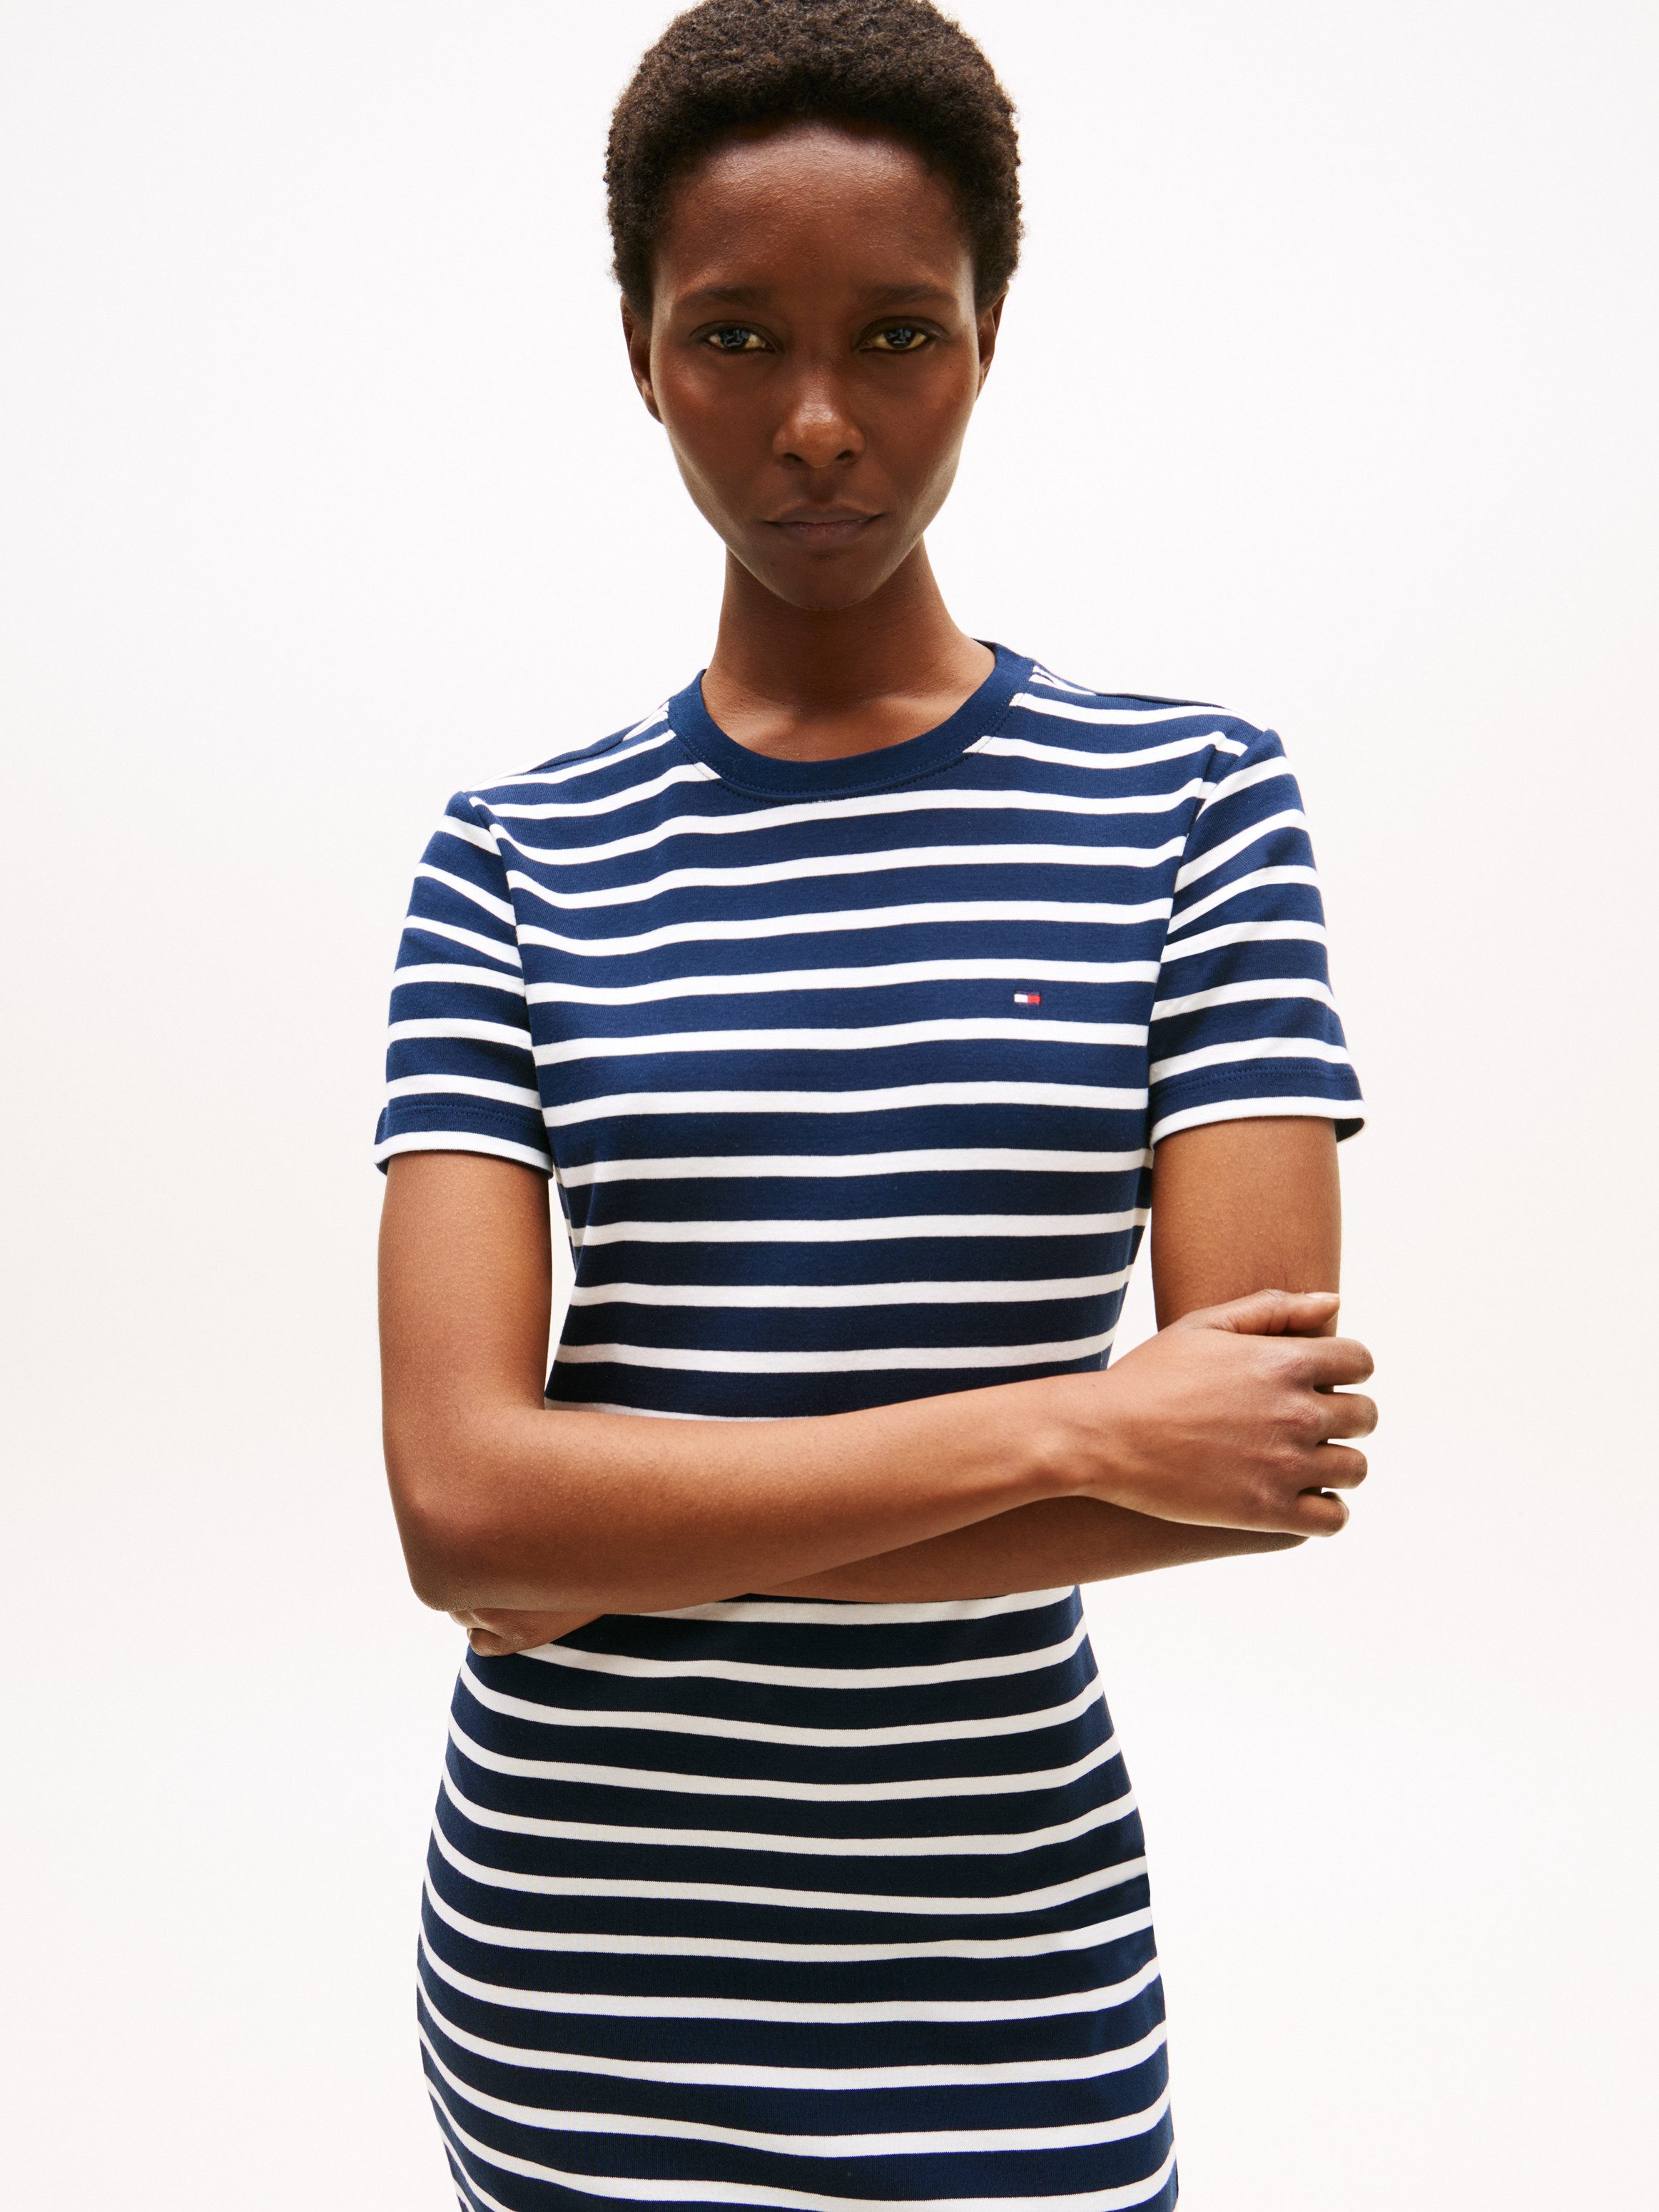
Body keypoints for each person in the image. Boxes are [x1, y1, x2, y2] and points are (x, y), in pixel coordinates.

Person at [374, 2, 1374, 2204]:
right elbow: (458, 1506)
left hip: (1007, 1980)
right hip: (575, 1983)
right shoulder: (513, 854)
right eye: (735, 337)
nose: (818, 422)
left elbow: (1259, 1461)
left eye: (896, 335)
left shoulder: (1192, 804)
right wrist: (1076, 1424)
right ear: (640, 351)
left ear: (991, 337)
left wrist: (608, 1526)